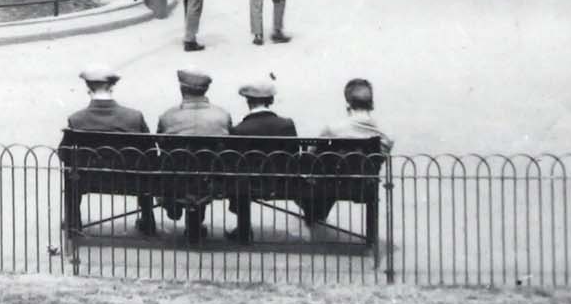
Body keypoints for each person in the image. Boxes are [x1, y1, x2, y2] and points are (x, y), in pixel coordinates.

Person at [63, 64, 157, 236]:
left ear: (88, 87)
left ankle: (73, 221)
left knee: (70, 170)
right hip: (131, 180)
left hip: (89, 179)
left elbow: (64, 153)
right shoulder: (134, 117)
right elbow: (151, 152)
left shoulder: (76, 119)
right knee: (146, 167)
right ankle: (147, 218)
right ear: (112, 86)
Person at [299, 78, 395, 237]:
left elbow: (312, 154)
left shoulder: (333, 129)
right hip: (364, 187)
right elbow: (378, 160)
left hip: (329, 185)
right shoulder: (385, 136)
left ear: (348, 104)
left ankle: (314, 213)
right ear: (372, 105)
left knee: (319, 176)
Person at [155, 68, 233, 238]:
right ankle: (195, 219)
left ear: (182, 89)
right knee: (206, 164)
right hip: (210, 178)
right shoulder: (222, 115)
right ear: (205, 90)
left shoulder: (168, 116)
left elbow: (161, 144)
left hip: (177, 176)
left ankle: (172, 202)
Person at [225, 77, 298, 243]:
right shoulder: (287, 125)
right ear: (271, 100)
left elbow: (232, 162)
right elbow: (293, 157)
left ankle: (243, 230)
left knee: (240, 177)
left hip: (248, 185)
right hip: (282, 183)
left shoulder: (239, 130)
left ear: (248, 101)